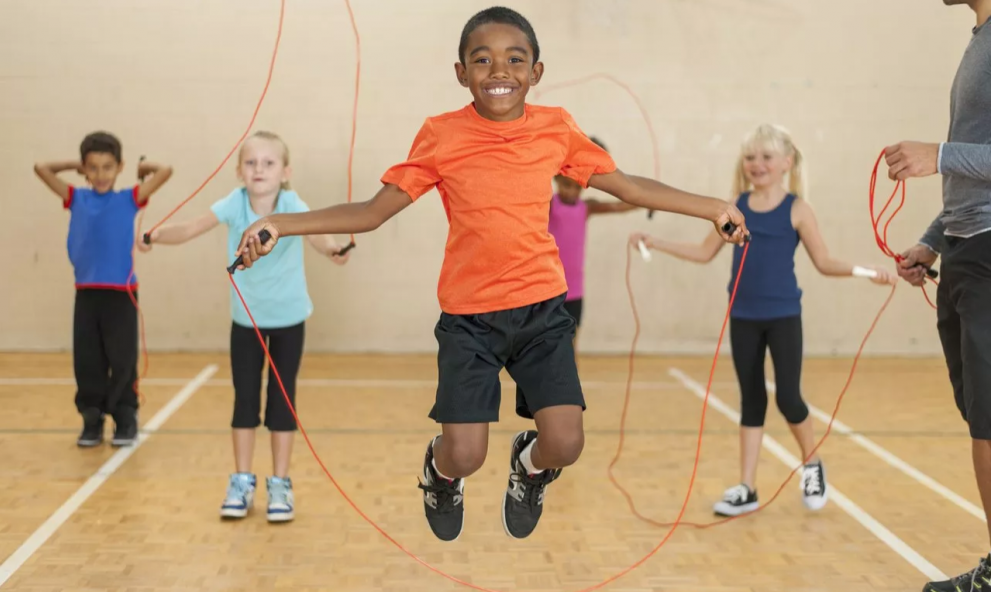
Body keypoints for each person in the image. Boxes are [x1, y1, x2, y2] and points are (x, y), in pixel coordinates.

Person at [232, 6, 748, 542]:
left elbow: (630, 188)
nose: (499, 70)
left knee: (566, 442)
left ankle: (528, 466)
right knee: (466, 454)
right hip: (469, 318)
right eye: (482, 59)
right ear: (461, 73)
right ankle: (439, 474)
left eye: (514, 59)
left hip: (542, 311)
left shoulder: (556, 128)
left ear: (536, 72)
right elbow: (372, 212)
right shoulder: (441, 135)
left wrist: (711, 206)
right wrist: (279, 223)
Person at [631, 123, 894, 517]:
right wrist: (658, 243)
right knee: (751, 400)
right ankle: (747, 487)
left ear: (786, 162)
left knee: (789, 397)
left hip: (784, 316)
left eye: (767, 157)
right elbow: (705, 253)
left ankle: (812, 464)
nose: (757, 164)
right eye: (751, 157)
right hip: (743, 317)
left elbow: (824, 262)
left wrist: (866, 270)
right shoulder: (734, 207)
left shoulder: (798, 209)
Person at [140, 131, 350, 522]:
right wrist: (155, 235)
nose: (259, 170)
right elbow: (189, 228)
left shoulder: (290, 204)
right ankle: (241, 480)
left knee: (282, 404)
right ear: (239, 171)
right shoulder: (234, 205)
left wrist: (334, 249)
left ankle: (280, 485)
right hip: (246, 323)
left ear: (285, 171)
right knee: (245, 401)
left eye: (268, 163)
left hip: (288, 321)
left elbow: (317, 233)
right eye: (251, 163)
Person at [885, 1, 991, 589]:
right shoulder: (979, 41)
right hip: (966, 250)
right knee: (980, 414)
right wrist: (932, 240)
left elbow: (957, 158)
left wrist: (938, 154)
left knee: (989, 424)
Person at [34, 131, 173, 448]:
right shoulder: (75, 197)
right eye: (93, 168)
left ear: (119, 166)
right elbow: (41, 168)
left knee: (122, 358)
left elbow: (166, 172)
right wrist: (75, 164)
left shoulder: (129, 198)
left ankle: (125, 417)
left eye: (107, 167)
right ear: (85, 169)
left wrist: (145, 167)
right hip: (86, 293)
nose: (99, 175)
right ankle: (92, 418)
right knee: (88, 360)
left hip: (121, 294)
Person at [547, 135, 639, 351]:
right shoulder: (550, 205)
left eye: (576, 187)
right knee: (549, 346)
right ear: (557, 180)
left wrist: (647, 203)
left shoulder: (586, 207)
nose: (571, 191)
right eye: (566, 185)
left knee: (571, 345)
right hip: (549, 289)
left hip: (575, 290)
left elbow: (619, 206)